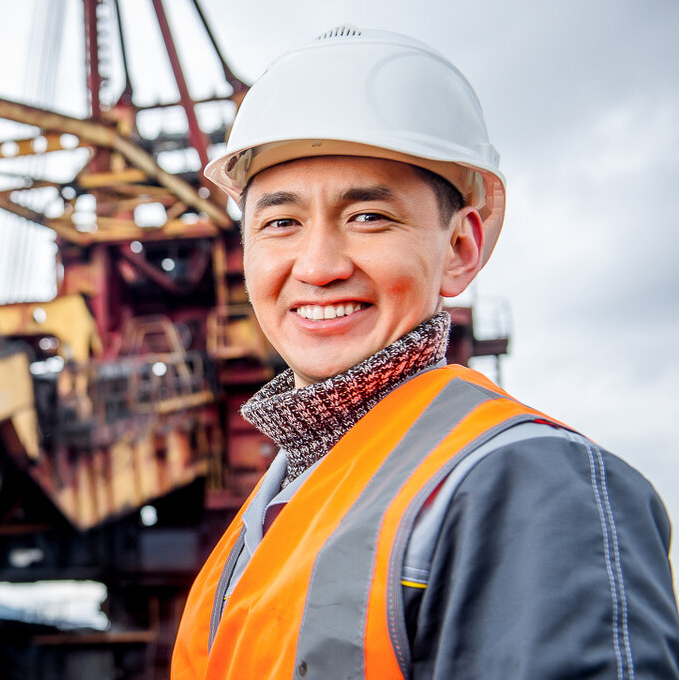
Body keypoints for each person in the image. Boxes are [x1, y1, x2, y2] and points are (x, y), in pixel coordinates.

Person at [171, 26, 679, 679]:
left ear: (461, 250)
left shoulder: (527, 485)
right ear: (245, 255)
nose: (318, 265)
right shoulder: (267, 517)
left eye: (369, 217)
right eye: (280, 223)